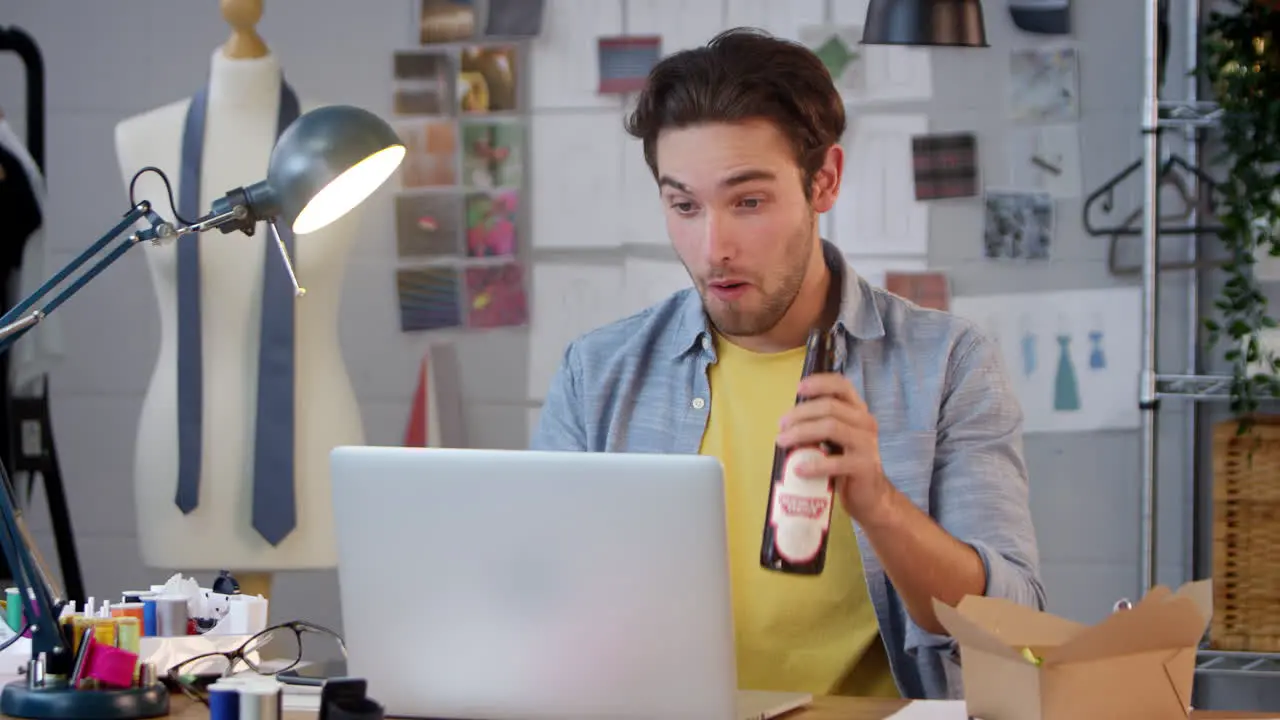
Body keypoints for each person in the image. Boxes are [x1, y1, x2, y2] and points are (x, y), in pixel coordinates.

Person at [530, 27, 1044, 701]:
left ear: (823, 180)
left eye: (748, 201)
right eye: (684, 205)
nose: (713, 247)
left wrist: (879, 505)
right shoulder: (596, 373)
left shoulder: (949, 363)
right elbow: (535, 596)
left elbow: (1012, 629)